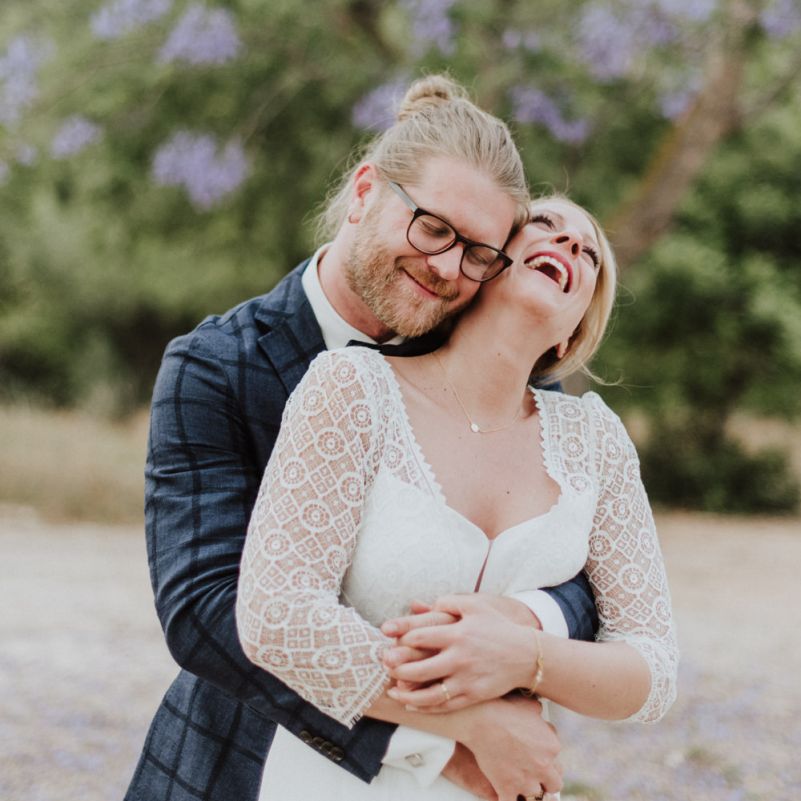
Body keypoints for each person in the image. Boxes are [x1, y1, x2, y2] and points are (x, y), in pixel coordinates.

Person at [126, 75, 599, 801]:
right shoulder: (219, 367)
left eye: (477, 252)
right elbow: (204, 609)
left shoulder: (504, 371)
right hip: (239, 766)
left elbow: (580, 571)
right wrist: (443, 735)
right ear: (364, 192)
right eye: (432, 227)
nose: (446, 267)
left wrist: (518, 625)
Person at [235, 188, 679, 801]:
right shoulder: (355, 388)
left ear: (574, 330)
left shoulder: (596, 441)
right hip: (333, 780)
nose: (570, 244)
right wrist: (470, 721)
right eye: (546, 225)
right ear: (484, 262)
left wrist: (528, 656)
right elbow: (276, 618)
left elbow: (652, 670)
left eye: (590, 254)